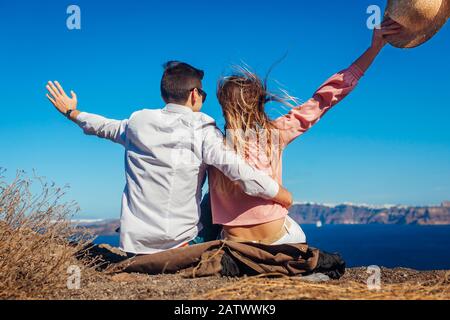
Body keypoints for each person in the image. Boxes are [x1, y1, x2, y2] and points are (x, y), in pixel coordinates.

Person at [45, 62, 293, 255]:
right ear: (195, 94)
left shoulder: (137, 122)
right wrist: (281, 194)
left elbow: (102, 126)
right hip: (181, 245)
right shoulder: (204, 130)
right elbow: (240, 173)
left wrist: (71, 112)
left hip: (134, 246)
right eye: (203, 95)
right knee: (213, 197)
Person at [208, 19, 402, 245]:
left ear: (224, 106)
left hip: (235, 244)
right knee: (299, 236)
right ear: (259, 102)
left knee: (207, 199)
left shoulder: (212, 142)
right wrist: (374, 49)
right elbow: (326, 98)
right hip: (279, 239)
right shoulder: (275, 134)